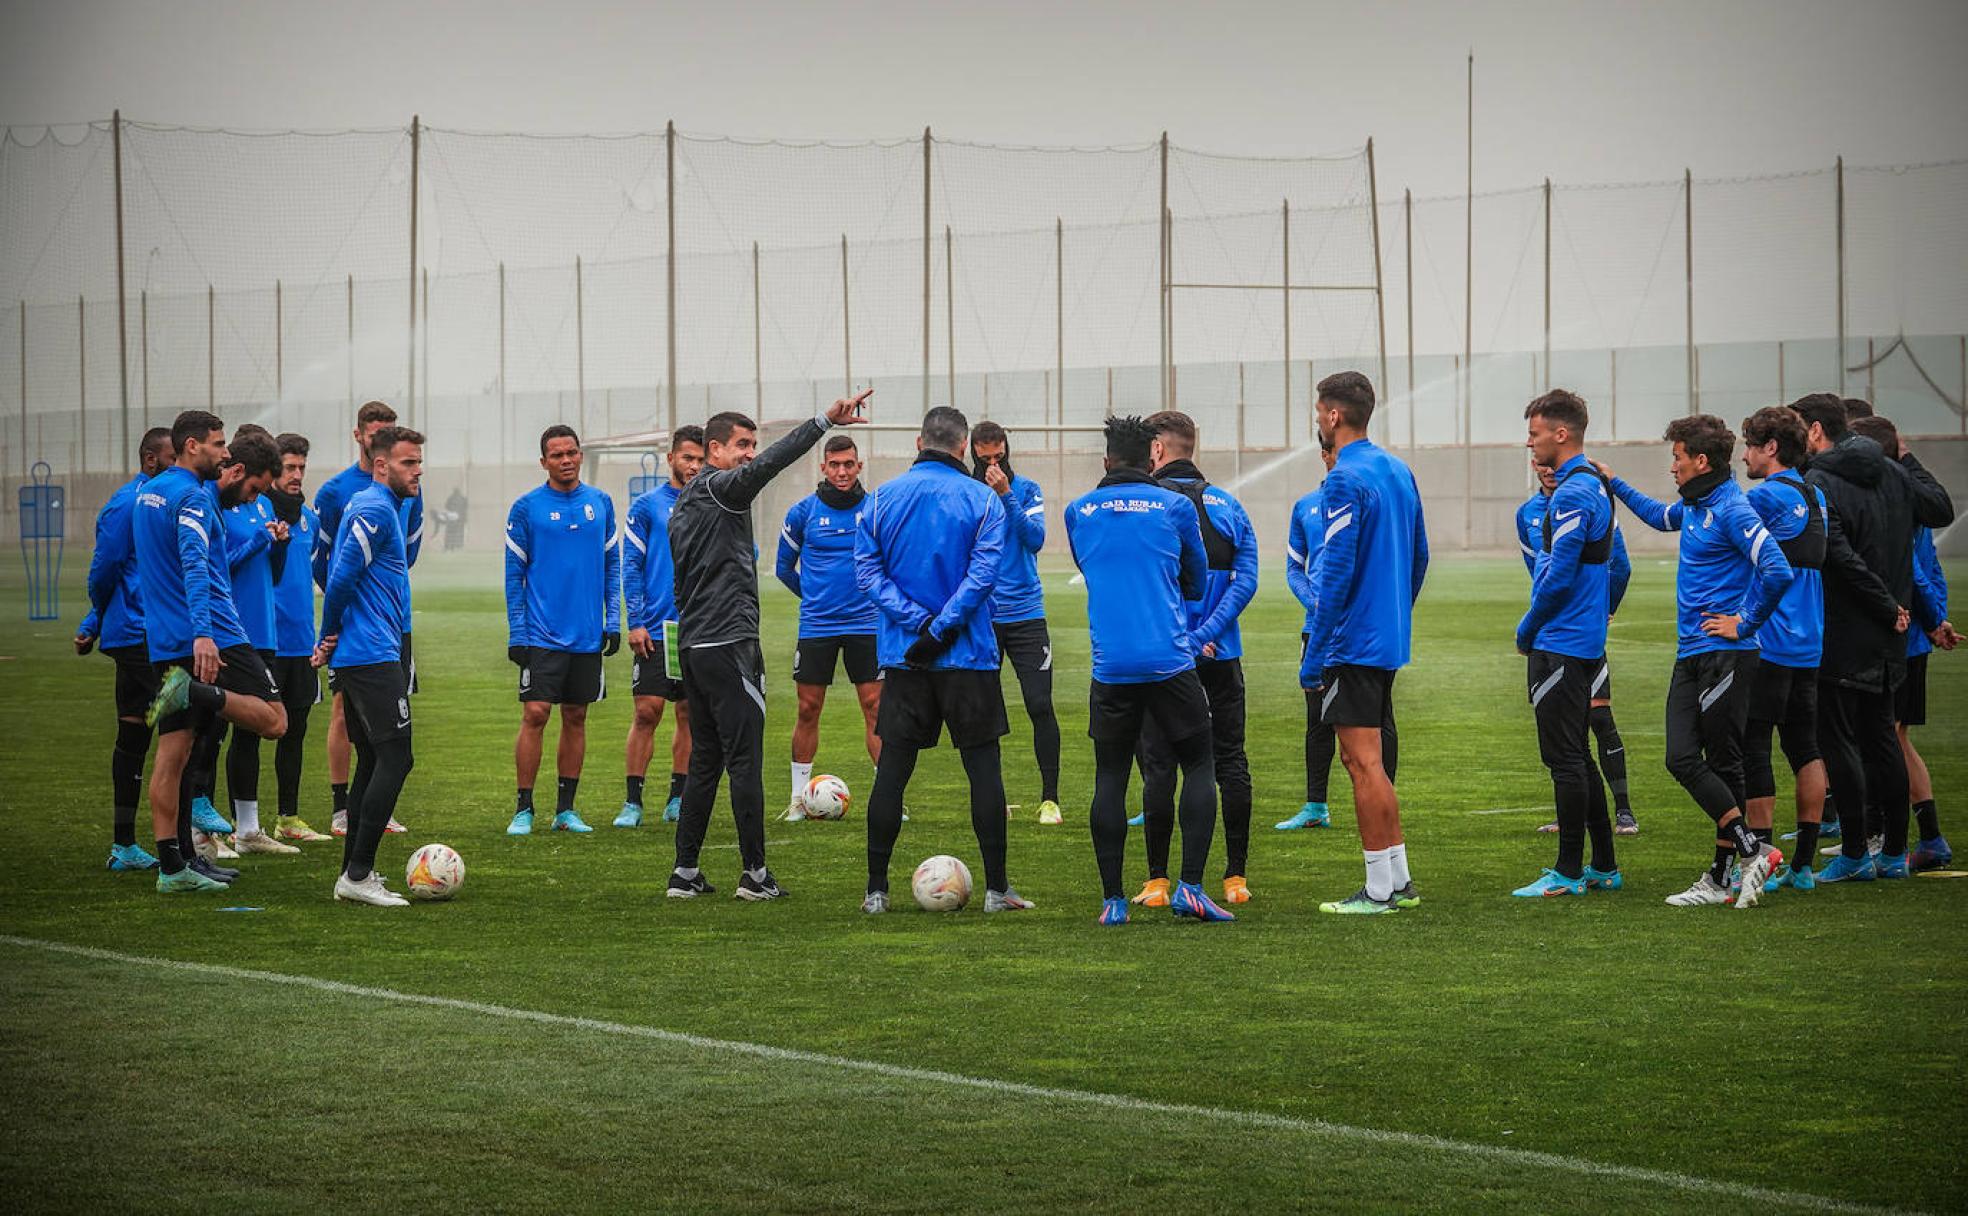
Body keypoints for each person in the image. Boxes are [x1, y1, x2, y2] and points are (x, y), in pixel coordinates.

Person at [665, 392, 870, 901]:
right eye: (742, 445)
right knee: (744, 761)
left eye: (753, 444)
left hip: (695, 644)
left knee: (706, 759)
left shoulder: (683, 504)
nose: (751, 454)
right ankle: (755, 875)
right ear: (714, 450)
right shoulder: (720, 491)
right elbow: (777, 463)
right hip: (729, 643)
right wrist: (824, 420)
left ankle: (684, 872)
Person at [1601, 415, 1791, 907]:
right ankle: (1743, 857)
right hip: (1693, 655)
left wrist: (1743, 622)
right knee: (1683, 757)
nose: (1673, 468)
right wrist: (1614, 482)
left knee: (1720, 762)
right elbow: (1658, 515)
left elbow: (1777, 568)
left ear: (1700, 461)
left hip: (1727, 654)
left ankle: (1729, 869)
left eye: (1677, 458)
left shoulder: (1732, 507)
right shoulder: (1697, 506)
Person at [855, 406, 1032, 914]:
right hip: (968, 656)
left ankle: (876, 892)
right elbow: (984, 575)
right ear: (963, 447)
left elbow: (867, 575)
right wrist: (941, 627)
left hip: (906, 657)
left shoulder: (880, 499)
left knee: (892, 770)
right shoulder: (983, 499)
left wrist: (916, 624)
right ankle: (998, 890)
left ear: (918, 443)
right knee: (983, 771)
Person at [1067, 415, 1230, 926]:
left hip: (1111, 665)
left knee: (1110, 775)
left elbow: (1089, 567)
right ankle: (1191, 889)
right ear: (1152, 457)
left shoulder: (1078, 511)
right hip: (1169, 660)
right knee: (1200, 765)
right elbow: (1197, 582)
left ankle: (1113, 901)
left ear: (1106, 460)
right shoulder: (1176, 506)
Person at [1794, 395, 1952, 882]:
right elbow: (1939, 508)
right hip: (1892, 632)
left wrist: (1888, 606)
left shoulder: (1819, 480)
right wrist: (1903, 456)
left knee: (1839, 740)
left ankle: (1857, 852)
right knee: (1882, 738)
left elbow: (1837, 555)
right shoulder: (1894, 474)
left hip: (1846, 627)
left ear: (1817, 431)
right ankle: (1894, 854)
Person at [135, 411, 290, 893]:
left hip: (161, 639)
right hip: (212, 635)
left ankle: (173, 866)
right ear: (190, 446)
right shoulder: (191, 499)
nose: (225, 453)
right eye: (217, 444)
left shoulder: (147, 494)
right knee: (276, 720)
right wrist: (204, 634)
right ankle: (203, 694)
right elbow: (195, 567)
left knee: (173, 755)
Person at [1299, 373, 1429, 916]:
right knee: (1369, 761)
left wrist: (1316, 651)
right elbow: (1419, 558)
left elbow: (1335, 574)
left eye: (1317, 412)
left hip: (1351, 642)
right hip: (1385, 637)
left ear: (1331, 416)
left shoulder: (1342, 479)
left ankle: (1378, 891)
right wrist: (1393, 613)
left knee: (1361, 763)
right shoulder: (1398, 470)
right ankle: (1398, 879)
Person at [1129, 410, 1259, 908]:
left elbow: (1144, 584)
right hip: (1220, 654)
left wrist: (1182, 636)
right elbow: (1246, 580)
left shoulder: (1149, 508)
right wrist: (1207, 633)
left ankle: (1157, 882)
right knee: (1229, 761)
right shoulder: (1230, 506)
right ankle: (1235, 878)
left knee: (1160, 765)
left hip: (1165, 660)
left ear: (1157, 451)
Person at [1508, 390, 1625, 898]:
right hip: (1580, 640)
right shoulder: (1592, 486)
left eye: (1534, 433)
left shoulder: (1575, 493)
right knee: (1578, 754)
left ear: (1561, 434)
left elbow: (1558, 576)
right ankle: (1603, 865)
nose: (1529, 443)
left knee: (1565, 760)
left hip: (1560, 642)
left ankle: (1568, 872)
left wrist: (1527, 629)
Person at [1732, 406, 1851, 894]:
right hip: (1810, 641)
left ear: (1771, 448)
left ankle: (1760, 858)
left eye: (1749, 445)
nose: (1744, 455)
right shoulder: (1816, 495)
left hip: (1770, 641)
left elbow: (1733, 548)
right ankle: (1802, 864)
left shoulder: (1765, 498)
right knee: (1805, 746)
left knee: (1753, 744)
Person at [314, 425, 426, 906]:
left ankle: (352, 874)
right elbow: (340, 577)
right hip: (371, 653)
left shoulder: (385, 507)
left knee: (375, 758)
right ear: (381, 465)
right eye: (407, 463)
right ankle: (358, 875)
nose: (417, 471)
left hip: (371, 650)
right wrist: (327, 635)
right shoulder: (375, 508)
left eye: (419, 462)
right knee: (397, 757)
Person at [1847, 413, 1956, 872]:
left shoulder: (1894, 494)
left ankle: (1910, 840)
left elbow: (1910, 566)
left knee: (1887, 740)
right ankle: (1901, 837)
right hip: (1909, 630)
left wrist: (1932, 619)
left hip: (1905, 635)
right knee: (1890, 738)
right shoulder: (1902, 490)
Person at [505, 425, 622, 835]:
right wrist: (517, 632)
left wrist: (612, 621)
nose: (566, 460)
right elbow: (512, 574)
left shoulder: (601, 503)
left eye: (572, 452)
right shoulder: (526, 508)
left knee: (576, 716)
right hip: (541, 634)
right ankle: (524, 809)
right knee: (535, 714)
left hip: (587, 634)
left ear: (580, 455)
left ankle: (565, 810)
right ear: (544, 462)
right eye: (557, 455)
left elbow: (612, 567)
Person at [1513, 457, 1638, 837]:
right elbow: (1538, 571)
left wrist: (1604, 610)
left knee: (1598, 718)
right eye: (1535, 458)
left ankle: (1624, 811)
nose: (1546, 467)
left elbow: (1621, 565)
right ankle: (1575, 818)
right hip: (1553, 631)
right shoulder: (1528, 514)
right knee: (1568, 735)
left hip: (1578, 634)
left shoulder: (1587, 497)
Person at [75, 426, 176, 872]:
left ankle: (124, 846)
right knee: (186, 723)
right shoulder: (129, 503)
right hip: (138, 636)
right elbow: (105, 570)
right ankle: (184, 851)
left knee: (135, 733)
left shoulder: (160, 500)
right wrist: (94, 618)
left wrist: (93, 624)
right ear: (151, 461)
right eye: (174, 457)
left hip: (142, 632)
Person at [777, 433, 882, 820]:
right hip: (818, 625)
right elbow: (783, 567)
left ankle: (888, 797)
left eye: (848, 464)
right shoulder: (802, 512)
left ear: (859, 465)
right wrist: (815, 597)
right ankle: (797, 800)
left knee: (875, 708)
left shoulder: (875, 509)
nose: (841, 471)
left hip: (867, 625)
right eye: (834, 465)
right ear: (823, 467)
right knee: (808, 708)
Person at [1277, 434, 1375, 833]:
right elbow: (1293, 569)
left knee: (1376, 721)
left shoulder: (1368, 499)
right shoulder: (1305, 507)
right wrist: (1315, 602)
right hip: (1317, 630)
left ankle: (1380, 796)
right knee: (1317, 721)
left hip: (1360, 631)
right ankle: (1315, 805)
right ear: (1325, 455)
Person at [971, 421, 1063, 826]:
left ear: (1007, 450)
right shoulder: (967, 491)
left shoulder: (1026, 488)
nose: (993, 462)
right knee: (983, 713)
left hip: (1026, 614)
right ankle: (994, 798)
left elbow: (1035, 538)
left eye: (998, 455)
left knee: (1040, 704)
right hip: (983, 617)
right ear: (973, 452)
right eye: (985, 456)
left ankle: (1050, 799)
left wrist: (1006, 495)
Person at [218, 429, 302, 856]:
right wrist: (258, 540)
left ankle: (247, 830)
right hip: (229, 632)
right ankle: (204, 833)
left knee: (251, 731)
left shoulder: (263, 504)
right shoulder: (220, 506)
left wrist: (279, 542)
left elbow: (271, 574)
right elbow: (218, 567)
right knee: (211, 733)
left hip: (262, 632)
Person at [617, 425, 703, 827]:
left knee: (688, 713)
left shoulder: (713, 501)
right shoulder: (647, 506)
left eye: (701, 459)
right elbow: (631, 566)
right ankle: (633, 802)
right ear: (671, 459)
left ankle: (677, 798)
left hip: (699, 628)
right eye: (688, 457)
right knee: (647, 712)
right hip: (656, 626)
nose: (694, 466)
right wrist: (635, 622)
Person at [265, 432, 332, 843]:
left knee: (296, 731)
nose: (296, 475)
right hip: (265, 643)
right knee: (252, 731)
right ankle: (245, 822)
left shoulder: (310, 519)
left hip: (300, 644)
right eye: (289, 467)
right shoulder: (257, 513)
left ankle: (287, 818)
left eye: (301, 468)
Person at [443, 485, 468, 551]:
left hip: (453, 519)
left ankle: (449, 547)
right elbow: (465, 509)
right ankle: (455, 546)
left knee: (450, 533)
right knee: (457, 533)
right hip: (459, 519)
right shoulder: (462, 499)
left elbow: (447, 506)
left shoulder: (451, 498)